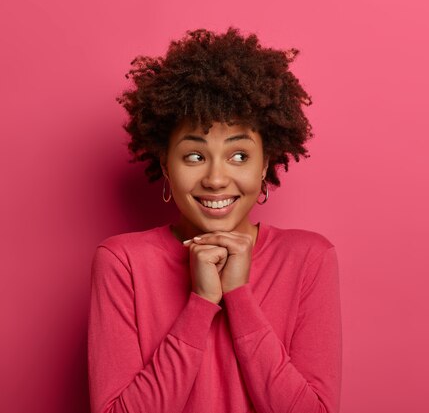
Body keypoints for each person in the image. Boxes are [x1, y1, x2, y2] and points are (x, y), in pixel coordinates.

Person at [87, 27, 342, 413]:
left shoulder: (308, 258)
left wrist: (238, 295)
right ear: (165, 166)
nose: (216, 178)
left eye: (239, 155)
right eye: (194, 156)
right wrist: (202, 301)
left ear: (265, 166)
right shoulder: (122, 261)